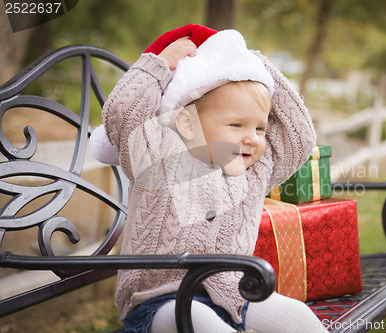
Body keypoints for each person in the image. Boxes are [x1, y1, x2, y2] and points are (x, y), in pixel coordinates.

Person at [90, 24, 327, 333]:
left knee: (297, 316)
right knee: (198, 320)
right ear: (187, 125)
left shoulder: (253, 171)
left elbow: (300, 135)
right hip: (159, 304)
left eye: (259, 128)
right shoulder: (158, 161)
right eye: (236, 125)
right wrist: (157, 63)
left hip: (233, 294)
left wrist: (251, 62)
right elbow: (123, 112)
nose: (252, 138)